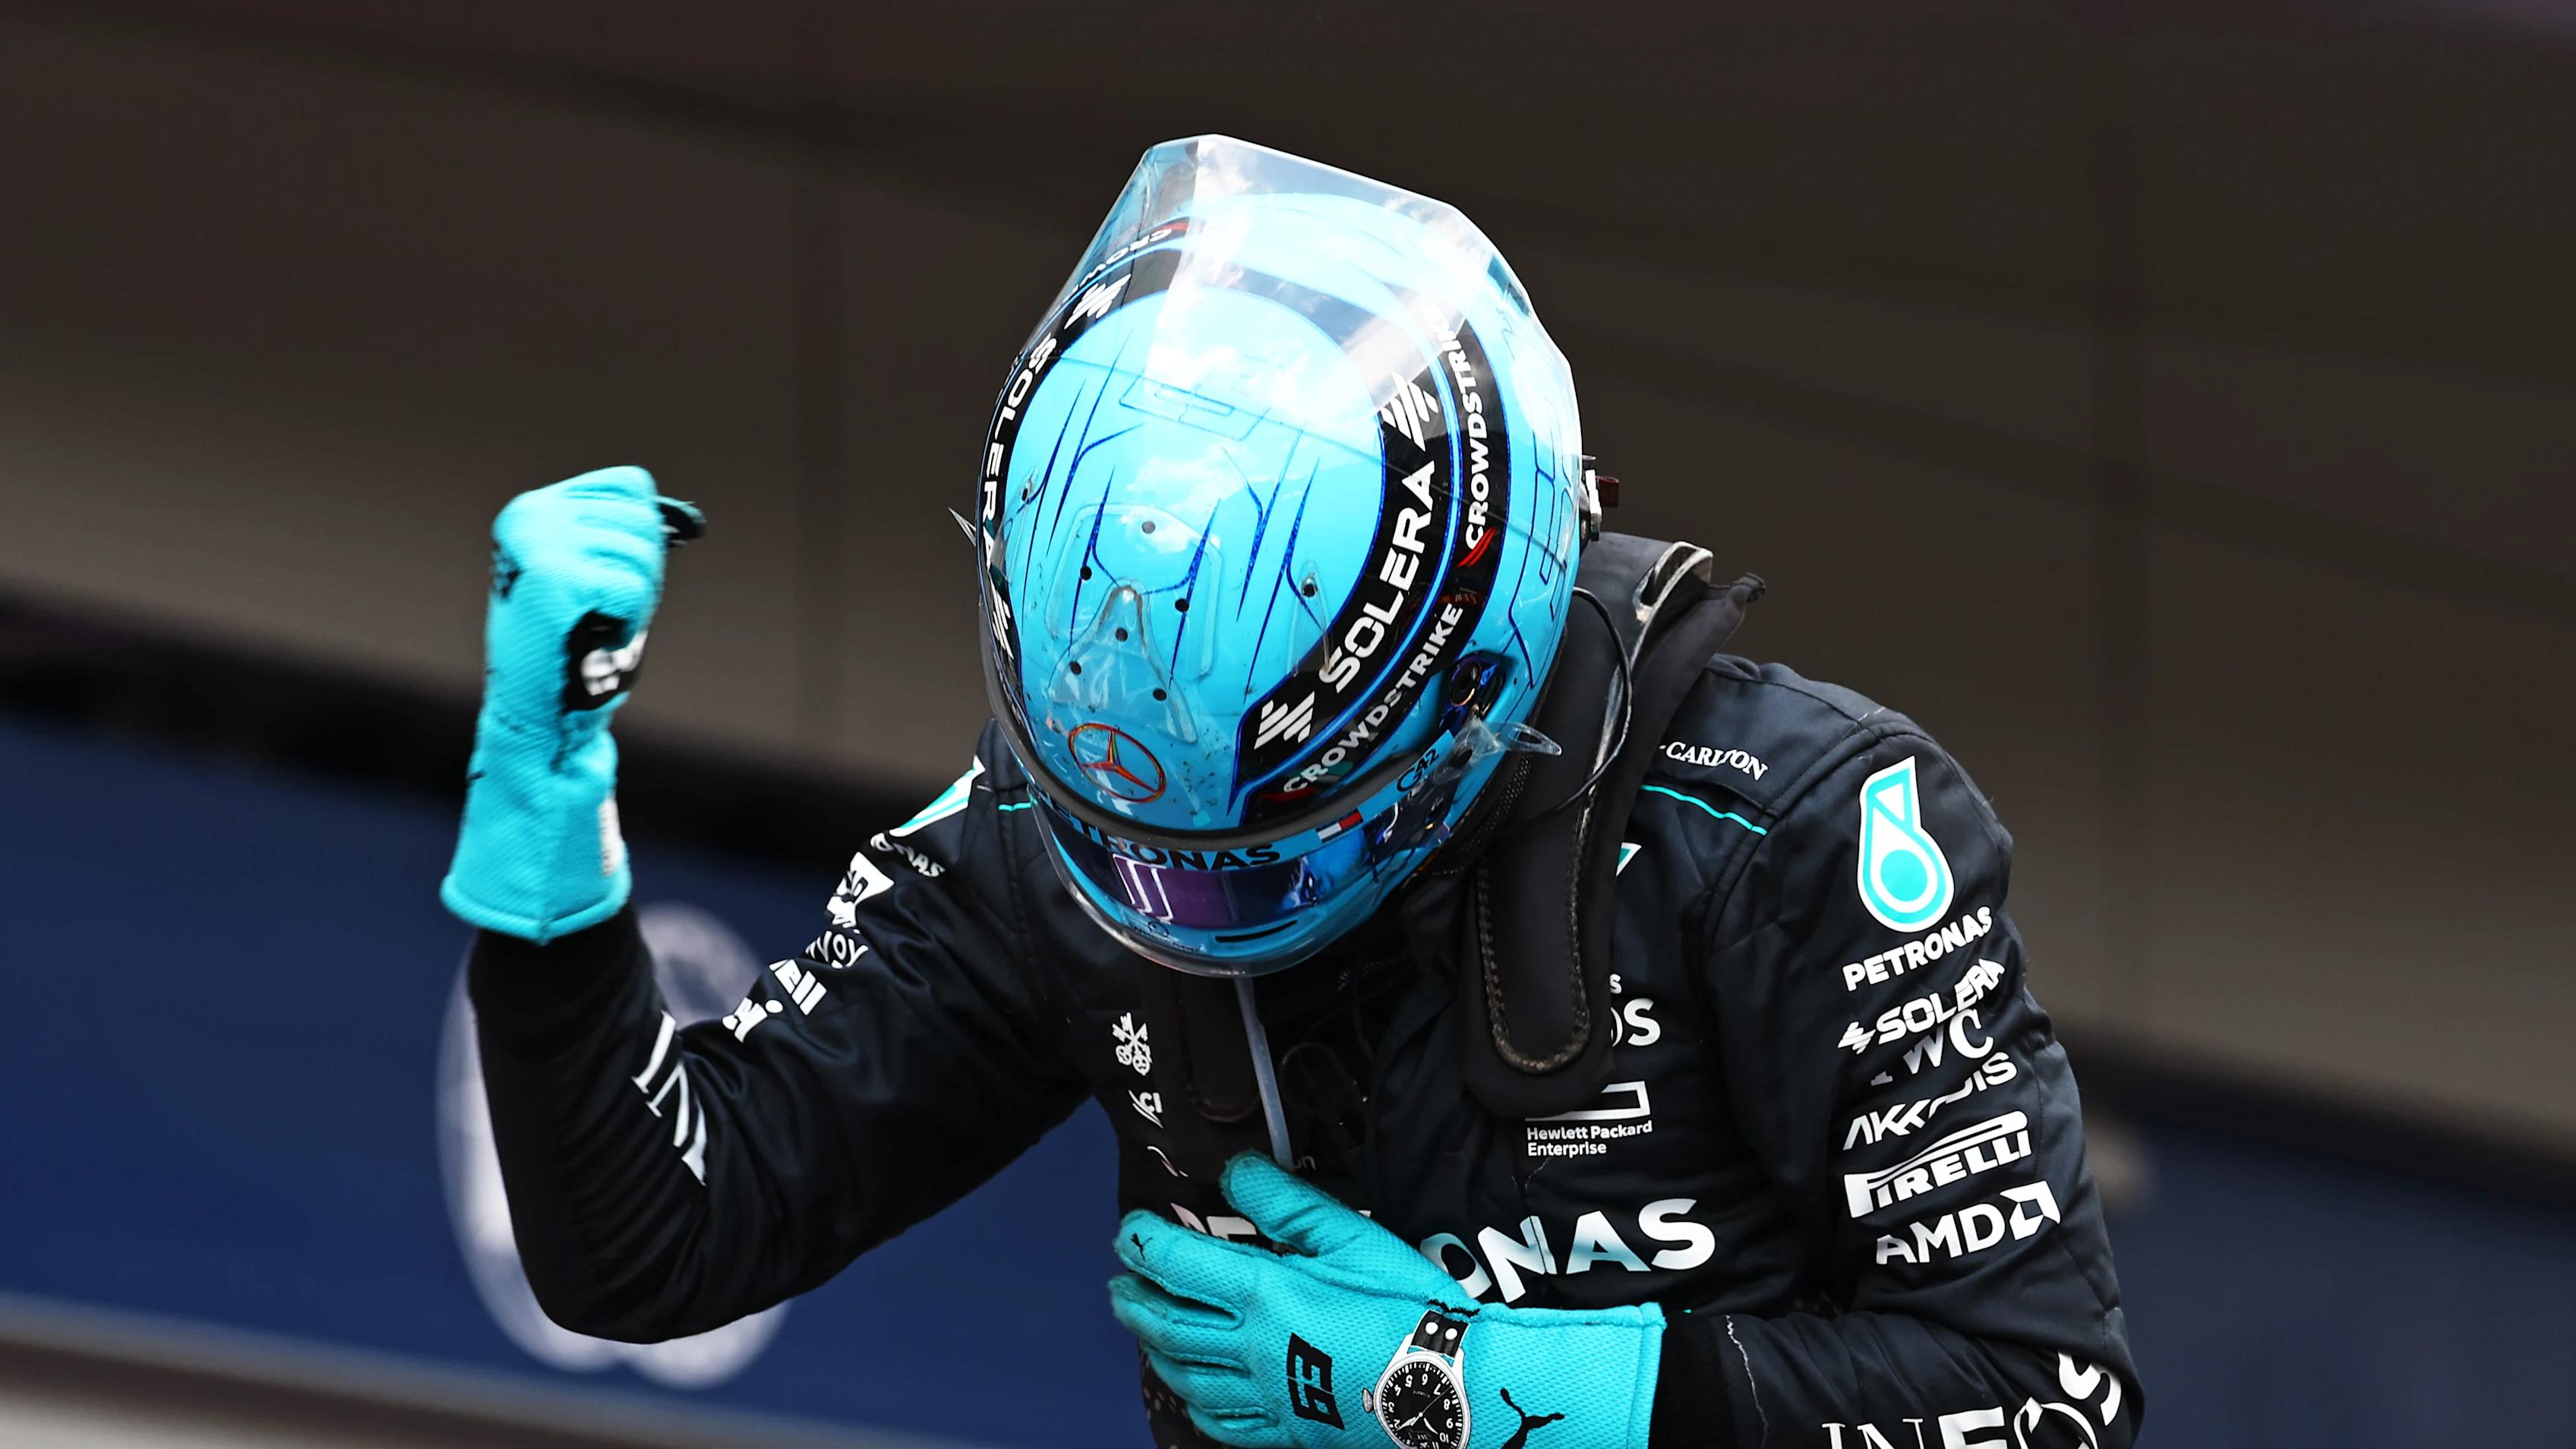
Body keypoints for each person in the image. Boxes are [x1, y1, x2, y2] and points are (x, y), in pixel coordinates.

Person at [444, 137, 2142, 1449]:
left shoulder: (1794, 836)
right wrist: (542, 793)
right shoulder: (1057, 834)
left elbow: (2044, 1397)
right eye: (1132, 835)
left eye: (1260, 843)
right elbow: (649, 1246)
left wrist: (1486, 1390)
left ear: (1481, 659)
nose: (1179, 899)